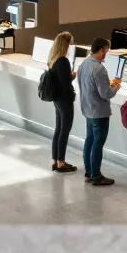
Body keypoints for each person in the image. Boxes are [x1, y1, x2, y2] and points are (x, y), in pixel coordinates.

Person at [78, 37, 122, 186]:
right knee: (98, 143)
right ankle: (96, 175)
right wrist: (115, 87)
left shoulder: (83, 64)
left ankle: (89, 173)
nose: (106, 54)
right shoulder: (99, 69)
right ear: (102, 49)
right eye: (106, 51)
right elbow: (106, 94)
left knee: (89, 140)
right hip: (99, 112)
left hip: (87, 109)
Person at [46, 31, 77, 173]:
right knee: (65, 130)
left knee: (58, 129)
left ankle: (56, 159)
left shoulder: (53, 58)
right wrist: (72, 76)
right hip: (65, 99)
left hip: (56, 98)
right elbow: (66, 83)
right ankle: (61, 162)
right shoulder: (63, 61)